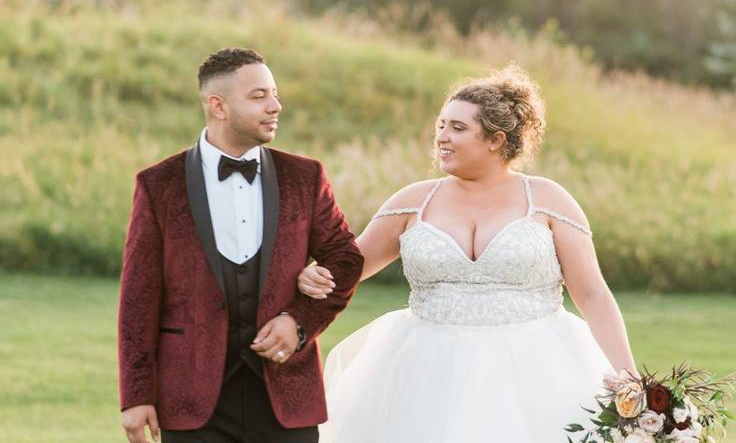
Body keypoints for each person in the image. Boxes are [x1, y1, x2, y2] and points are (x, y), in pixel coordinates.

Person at [298, 63, 638, 442]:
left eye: (457, 128)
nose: (442, 137)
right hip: (425, 369)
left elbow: (591, 293)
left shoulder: (547, 199)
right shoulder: (413, 202)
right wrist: (313, 274)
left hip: (536, 367)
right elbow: (349, 266)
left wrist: (628, 375)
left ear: (496, 139)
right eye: (441, 125)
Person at [118, 48, 364, 443]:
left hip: (287, 395)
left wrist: (299, 321)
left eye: (275, 93)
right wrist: (136, 395)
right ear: (218, 105)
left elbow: (346, 258)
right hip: (192, 401)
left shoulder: (304, 176)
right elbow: (138, 297)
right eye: (259, 96)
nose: (276, 106)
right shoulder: (159, 184)